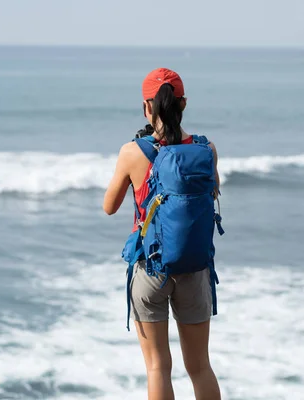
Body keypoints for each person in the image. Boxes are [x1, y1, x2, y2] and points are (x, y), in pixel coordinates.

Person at [103, 68, 222, 400]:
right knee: (200, 367)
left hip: (150, 268)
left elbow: (109, 206)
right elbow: (213, 193)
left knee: (157, 367)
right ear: (183, 104)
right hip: (195, 268)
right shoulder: (206, 148)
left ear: (146, 107)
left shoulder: (132, 152)